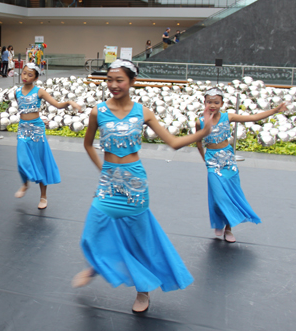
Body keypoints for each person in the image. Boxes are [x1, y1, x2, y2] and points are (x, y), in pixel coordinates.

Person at [71, 59, 214, 313]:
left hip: (135, 181)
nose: (113, 85)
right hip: (109, 182)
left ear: (132, 82)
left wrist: (203, 133)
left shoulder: (143, 112)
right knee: (92, 231)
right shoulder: (98, 111)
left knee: (139, 239)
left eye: (119, 80)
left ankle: (143, 291)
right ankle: (97, 266)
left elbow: (173, 142)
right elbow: (88, 145)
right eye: (109, 80)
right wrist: (103, 170)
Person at [195, 88, 288, 243]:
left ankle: (228, 228)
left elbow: (253, 117)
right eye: (209, 102)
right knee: (218, 197)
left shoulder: (228, 117)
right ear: (204, 102)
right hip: (212, 162)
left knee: (231, 195)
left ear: (222, 103)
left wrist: (275, 110)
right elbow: (198, 143)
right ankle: (219, 221)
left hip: (228, 161)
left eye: (216, 102)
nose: (213, 105)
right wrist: (205, 159)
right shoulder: (200, 122)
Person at [14, 63, 82, 209]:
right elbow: (22, 110)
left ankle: (43, 196)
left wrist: (69, 102)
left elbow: (57, 105)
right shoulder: (17, 92)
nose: (25, 76)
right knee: (22, 160)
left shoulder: (39, 91)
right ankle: (25, 184)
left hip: (37, 130)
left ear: (36, 78)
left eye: (30, 74)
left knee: (40, 163)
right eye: (24, 73)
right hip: (22, 129)